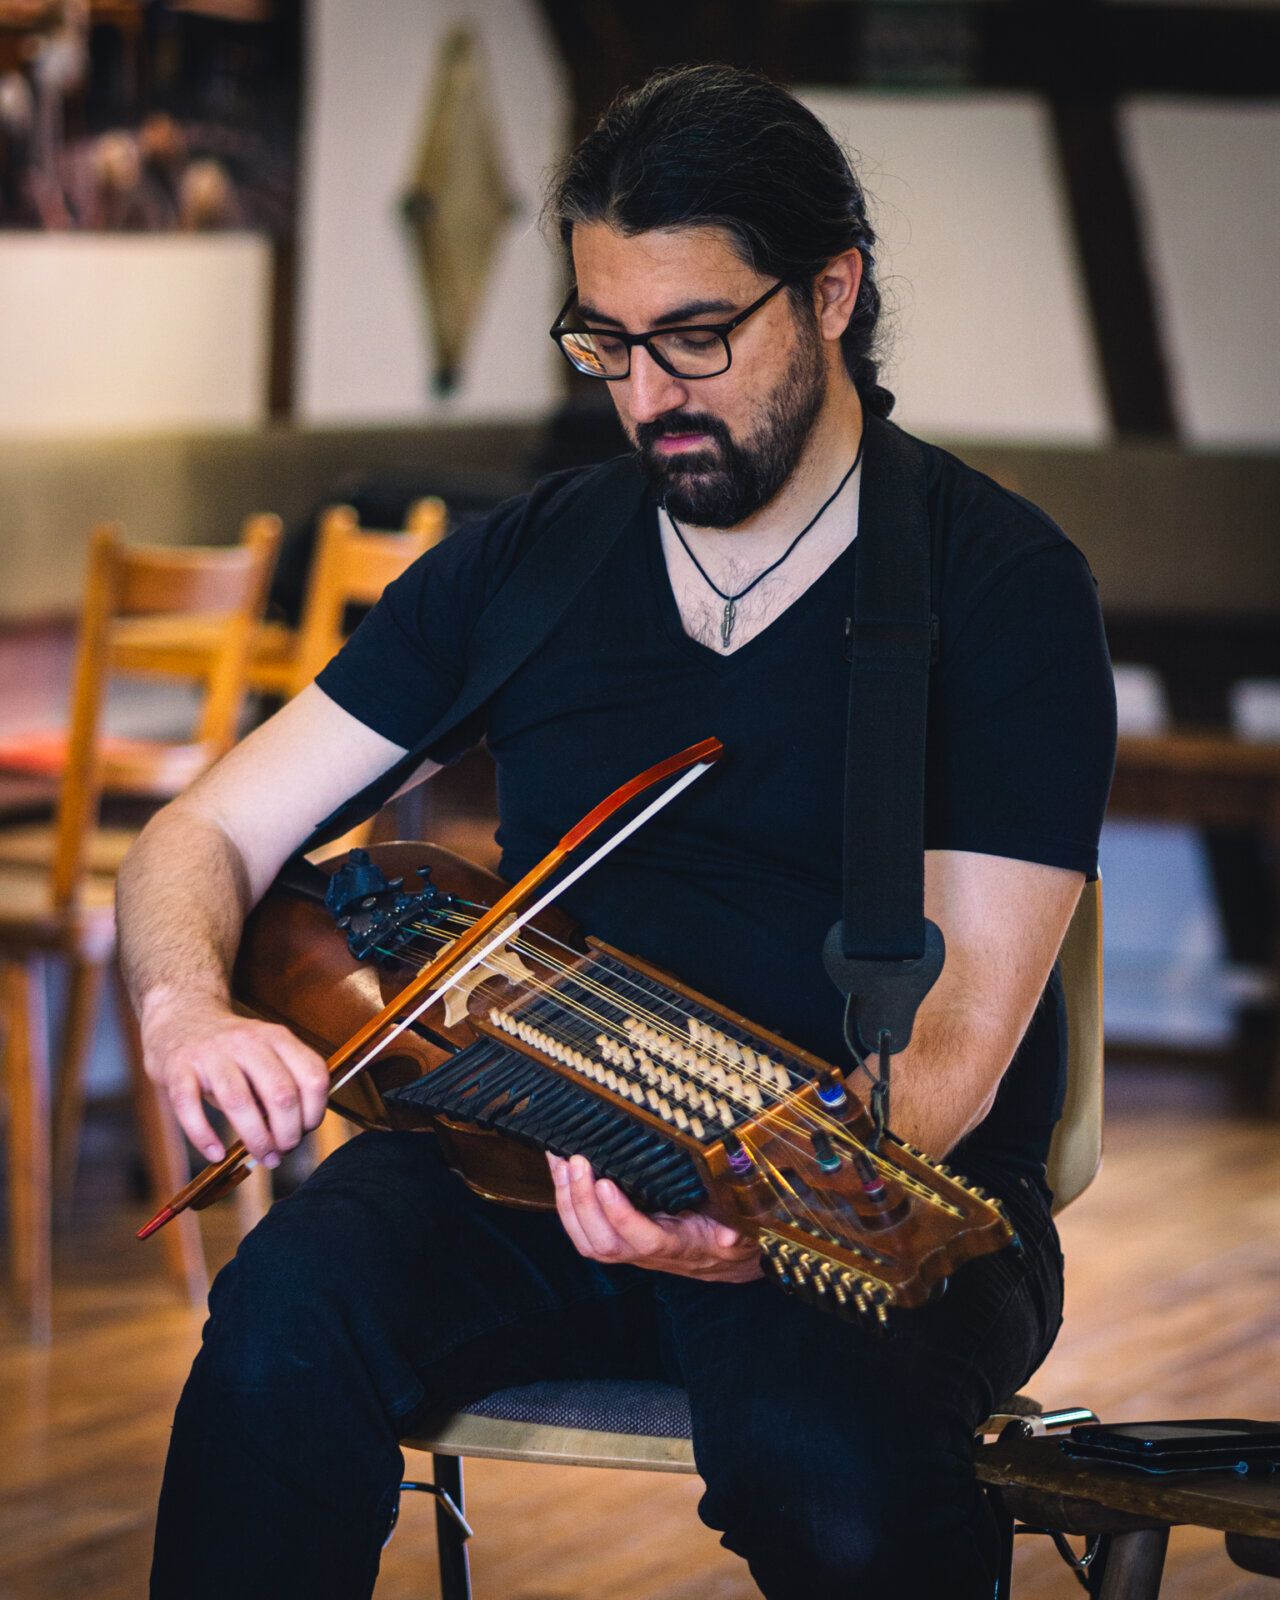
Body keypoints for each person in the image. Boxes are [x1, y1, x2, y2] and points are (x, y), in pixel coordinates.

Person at [119, 64, 1116, 1600]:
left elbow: (958, 1053)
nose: (649, 396)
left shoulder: (997, 586)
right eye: (606, 343)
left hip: (863, 1199)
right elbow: (203, 832)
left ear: (832, 291)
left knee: (835, 1484)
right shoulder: (526, 562)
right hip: (526, 1159)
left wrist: (746, 1212)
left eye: (697, 337)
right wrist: (187, 1009)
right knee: (274, 1339)